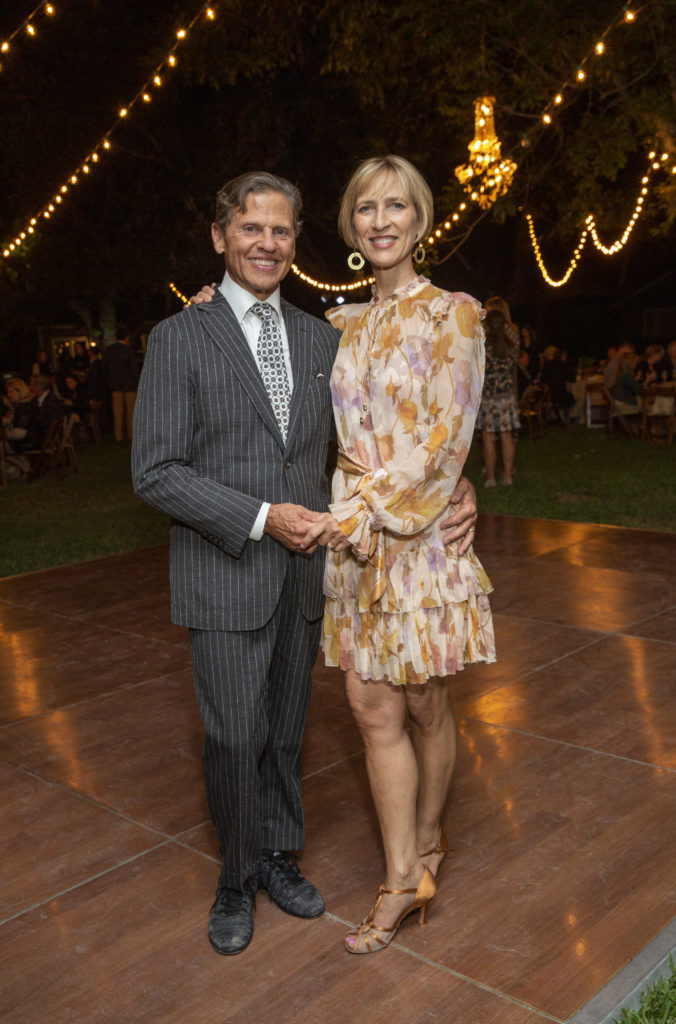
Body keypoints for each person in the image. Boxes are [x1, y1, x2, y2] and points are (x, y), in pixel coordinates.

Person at [132, 170, 481, 958]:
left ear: (296, 241)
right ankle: (235, 878)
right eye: (249, 228)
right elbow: (154, 472)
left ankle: (279, 855)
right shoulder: (178, 336)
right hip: (226, 567)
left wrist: (459, 483)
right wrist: (261, 518)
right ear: (220, 236)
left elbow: (395, 425)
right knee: (233, 738)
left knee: (288, 732)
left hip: (313, 569)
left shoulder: (324, 336)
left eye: (281, 230)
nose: (266, 242)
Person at [299, 155, 496, 955]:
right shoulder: (336, 324)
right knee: (369, 708)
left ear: (419, 219)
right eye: (365, 208)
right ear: (350, 224)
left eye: (395, 206)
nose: (380, 221)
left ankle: (428, 834)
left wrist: (376, 507)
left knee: (424, 704)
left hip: (414, 537)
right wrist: (212, 302)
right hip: (354, 545)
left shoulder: (455, 314)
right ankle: (401, 876)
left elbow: (448, 436)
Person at [476, 308, 520, 487]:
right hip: (506, 394)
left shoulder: (483, 343)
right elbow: (512, 332)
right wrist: (504, 324)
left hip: (488, 394)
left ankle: (490, 478)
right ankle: (507, 475)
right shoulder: (512, 343)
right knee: (506, 435)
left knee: (488, 437)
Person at [2, 377, 43, 476]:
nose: (9, 395)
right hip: (35, 440)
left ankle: (22, 466)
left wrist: (4, 434)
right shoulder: (28, 404)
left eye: (11, 392)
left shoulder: (23, 408)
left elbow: (19, 433)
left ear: (19, 391)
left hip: (27, 443)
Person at [103, 331, 139, 441]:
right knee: (131, 411)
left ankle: (118, 435)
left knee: (117, 411)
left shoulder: (109, 350)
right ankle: (131, 434)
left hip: (116, 385)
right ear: (126, 338)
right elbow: (134, 369)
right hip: (130, 385)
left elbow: (105, 368)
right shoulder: (128, 351)